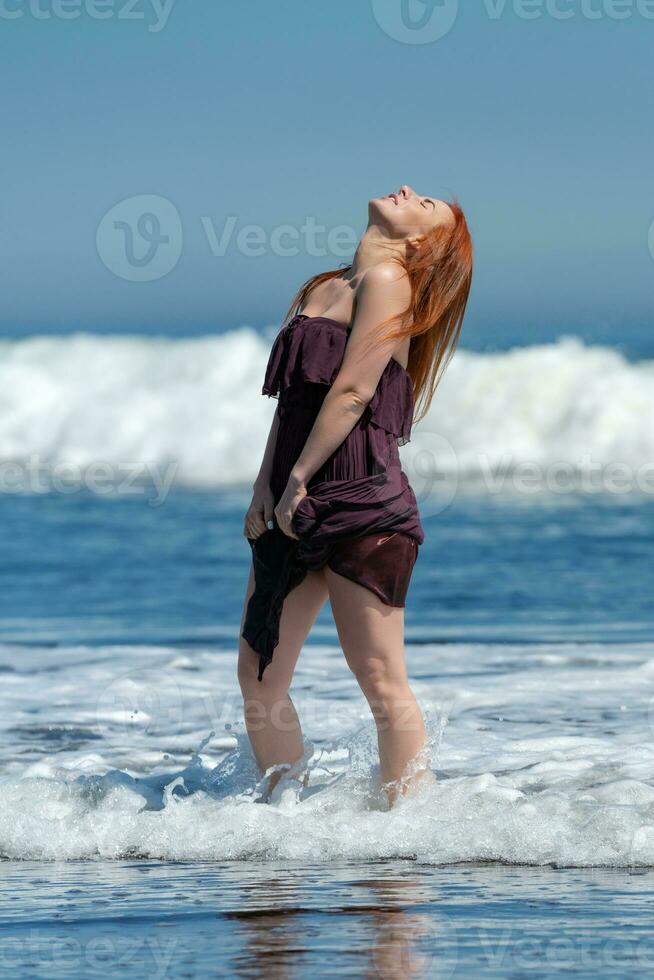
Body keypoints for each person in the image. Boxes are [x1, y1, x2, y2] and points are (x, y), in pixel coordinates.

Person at [238, 184, 473, 807]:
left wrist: (298, 480)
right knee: (259, 679)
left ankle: (408, 833)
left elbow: (353, 391)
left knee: (379, 679)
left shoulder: (392, 281)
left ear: (423, 243)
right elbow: (293, 403)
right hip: (292, 504)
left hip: (364, 504)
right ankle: (282, 821)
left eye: (425, 206)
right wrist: (268, 482)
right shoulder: (323, 285)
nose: (410, 192)